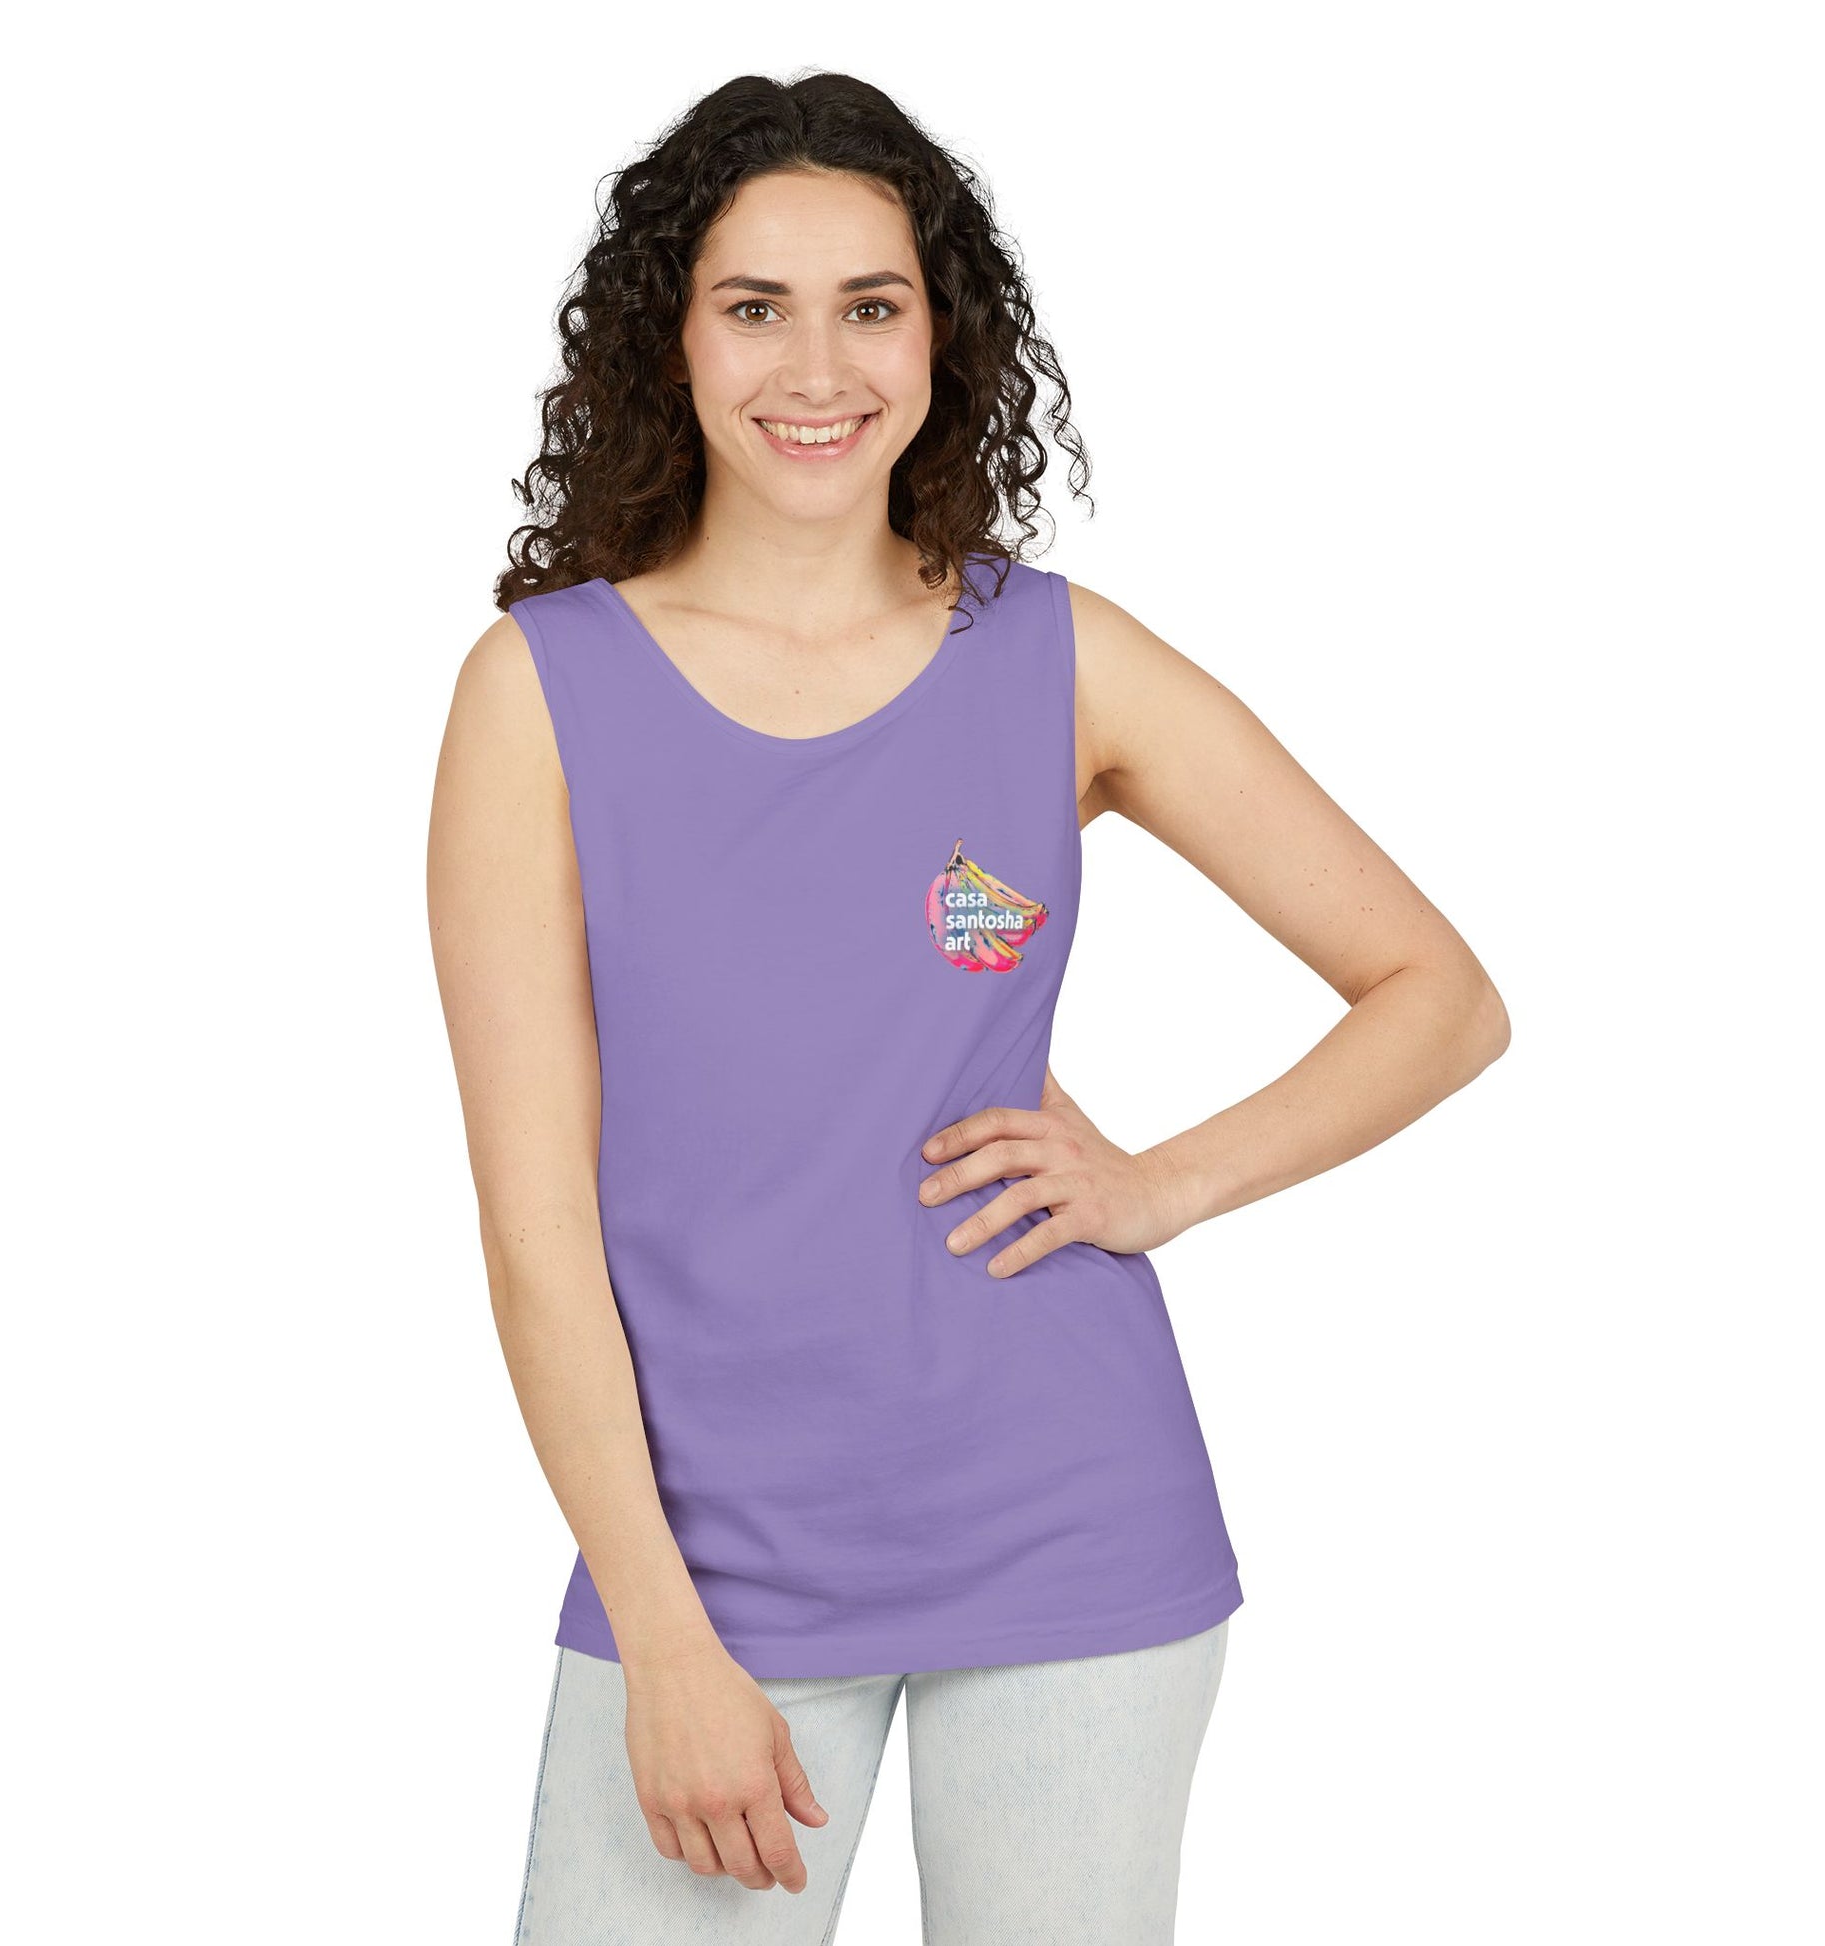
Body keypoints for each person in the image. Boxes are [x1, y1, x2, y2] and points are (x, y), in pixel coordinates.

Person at [427, 71, 1509, 1946]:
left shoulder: (1057, 656)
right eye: (753, 306)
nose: (815, 366)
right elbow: (537, 1238)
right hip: (708, 1563)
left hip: (1070, 1523)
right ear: (670, 337)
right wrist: (662, 1635)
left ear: (941, 335)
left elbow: (1437, 994)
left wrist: (1157, 1184)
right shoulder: (539, 693)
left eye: (871, 304)